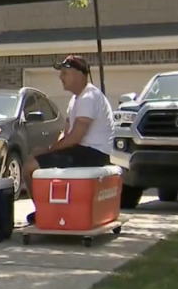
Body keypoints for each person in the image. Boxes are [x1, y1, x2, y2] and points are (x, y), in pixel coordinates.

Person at [23, 55, 114, 222]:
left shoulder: (89, 97)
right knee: (34, 159)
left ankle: (43, 213)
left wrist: (47, 151)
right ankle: (50, 211)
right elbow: (66, 133)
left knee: (30, 166)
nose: (60, 77)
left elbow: (74, 138)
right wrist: (47, 150)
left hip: (93, 154)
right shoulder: (76, 99)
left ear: (78, 74)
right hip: (81, 151)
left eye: (65, 73)